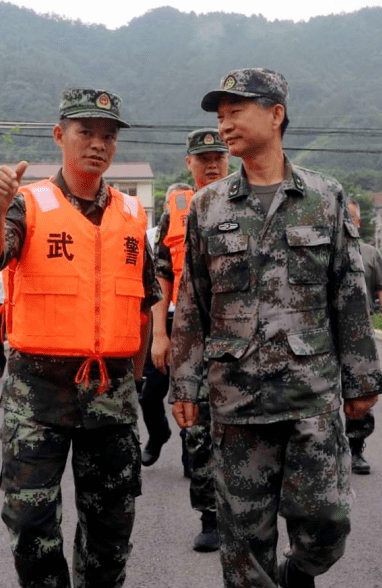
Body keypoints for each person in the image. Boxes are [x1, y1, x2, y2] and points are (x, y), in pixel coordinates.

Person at [169, 69, 382, 588]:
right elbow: (192, 299)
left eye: (239, 110)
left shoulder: (324, 195)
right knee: (245, 530)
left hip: (312, 391)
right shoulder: (208, 206)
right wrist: (184, 378)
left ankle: (302, 574)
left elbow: (348, 290)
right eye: (221, 112)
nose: (227, 122)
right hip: (235, 395)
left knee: (327, 521)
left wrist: (361, 376)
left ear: (278, 114)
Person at [0, 88, 161, 588]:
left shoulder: (134, 217)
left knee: (110, 526)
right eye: (86, 131)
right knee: (30, 518)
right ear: (60, 137)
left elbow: (144, 304)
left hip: (110, 392)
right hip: (38, 392)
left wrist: (133, 377)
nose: (99, 143)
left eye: (109, 133)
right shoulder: (29, 204)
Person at [151, 128, 230, 552]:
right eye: (202, 158)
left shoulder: (251, 196)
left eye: (217, 154)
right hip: (191, 332)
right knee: (198, 425)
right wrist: (159, 333)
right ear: (189, 164)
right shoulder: (177, 211)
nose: (212, 163)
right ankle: (210, 516)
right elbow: (162, 272)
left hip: (243, 332)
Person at [137, 184, 191, 468]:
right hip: (159, 321)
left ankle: (190, 451)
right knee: (149, 393)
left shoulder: (196, 231)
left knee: (191, 389)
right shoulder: (149, 238)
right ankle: (158, 434)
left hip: (189, 321)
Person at [345, 197, 382, 475]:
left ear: (358, 222)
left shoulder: (369, 253)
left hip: (360, 335)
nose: (345, 223)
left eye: (350, 218)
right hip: (326, 335)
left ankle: (356, 450)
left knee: (362, 393)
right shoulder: (323, 252)